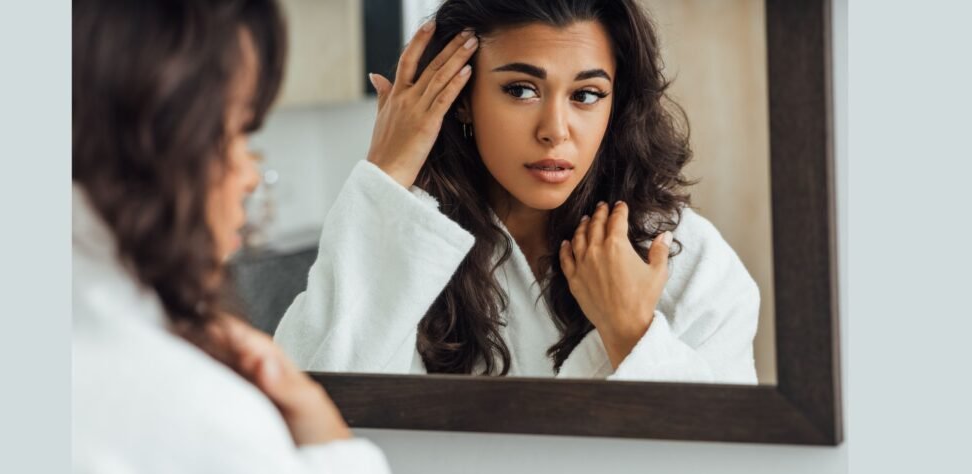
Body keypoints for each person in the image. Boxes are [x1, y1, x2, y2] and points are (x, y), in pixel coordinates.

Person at [274, 0, 760, 384]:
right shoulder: (405, 245)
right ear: (462, 99)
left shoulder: (686, 258)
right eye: (521, 90)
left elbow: (729, 461)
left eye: (586, 95)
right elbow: (312, 416)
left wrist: (632, 332)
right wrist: (386, 176)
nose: (555, 130)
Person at [72, 0, 405, 474]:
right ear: (159, 137)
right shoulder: (198, 420)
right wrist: (335, 449)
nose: (249, 174)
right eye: (240, 133)